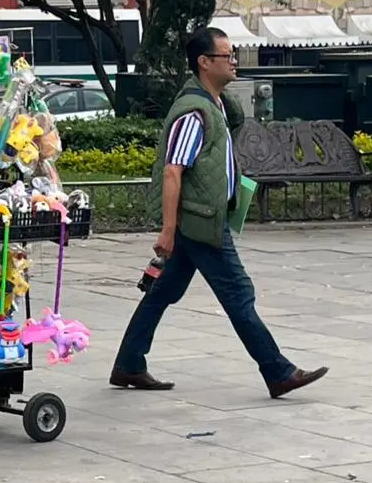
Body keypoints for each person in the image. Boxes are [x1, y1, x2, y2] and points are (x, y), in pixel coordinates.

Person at [110, 27, 328, 399]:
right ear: (204, 62)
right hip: (200, 222)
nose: (233, 62)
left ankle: (129, 363)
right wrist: (168, 229)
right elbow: (172, 169)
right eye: (227, 56)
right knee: (238, 293)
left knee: (163, 292)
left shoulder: (214, 104)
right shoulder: (193, 112)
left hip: (199, 219)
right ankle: (277, 372)